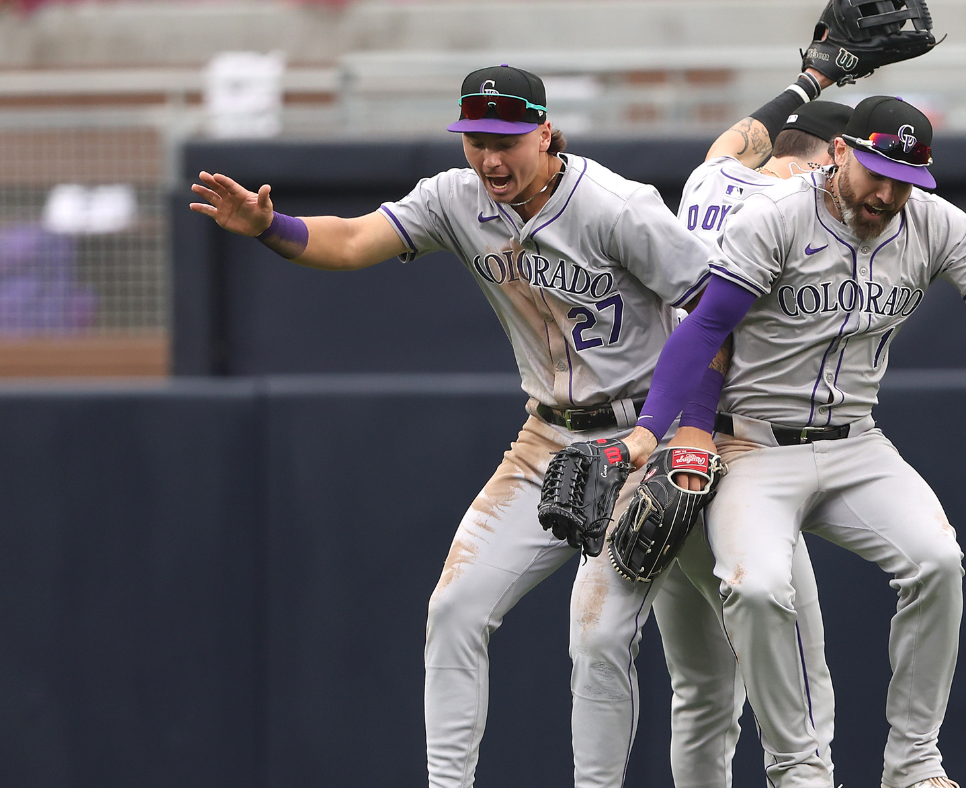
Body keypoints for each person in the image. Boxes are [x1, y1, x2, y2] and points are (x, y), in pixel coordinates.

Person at [189, 64, 725, 788]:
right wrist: (269, 228)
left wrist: (685, 432)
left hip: (638, 438)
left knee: (597, 635)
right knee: (455, 609)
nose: (490, 157)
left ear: (545, 132)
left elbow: (716, 316)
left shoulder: (615, 205)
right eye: (476, 138)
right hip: (545, 438)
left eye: (506, 138)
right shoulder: (455, 197)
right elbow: (350, 241)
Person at [617, 94, 966, 788]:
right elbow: (704, 327)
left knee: (937, 561)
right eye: (877, 171)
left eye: (906, 179)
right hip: (755, 448)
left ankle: (914, 764)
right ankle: (798, 770)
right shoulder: (774, 217)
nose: (889, 192)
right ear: (840, 152)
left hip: (856, 444)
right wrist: (650, 433)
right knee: (757, 587)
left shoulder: (928, 221)